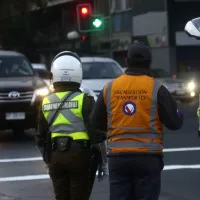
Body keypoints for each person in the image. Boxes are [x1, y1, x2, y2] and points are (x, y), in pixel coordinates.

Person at [90, 42, 183, 200]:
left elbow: (95, 122)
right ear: (149, 62)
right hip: (148, 157)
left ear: (126, 61)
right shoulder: (157, 88)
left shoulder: (110, 88)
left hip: (118, 158)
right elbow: (175, 123)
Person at [35, 51, 106, 200]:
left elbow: (40, 137)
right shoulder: (85, 100)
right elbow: (96, 133)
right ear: (78, 73)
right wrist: (102, 160)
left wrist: (49, 159)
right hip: (80, 155)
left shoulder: (46, 102)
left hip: (56, 156)